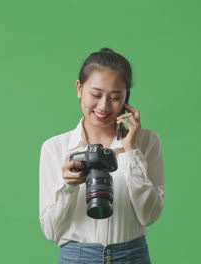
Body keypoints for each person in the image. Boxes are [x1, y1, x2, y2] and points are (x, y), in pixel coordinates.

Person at [39, 48, 165, 264]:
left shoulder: (147, 142)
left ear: (127, 97)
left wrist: (131, 151)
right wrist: (68, 186)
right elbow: (51, 232)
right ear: (79, 88)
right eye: (96, 95)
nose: (104, 106)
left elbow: (149, 216)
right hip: (77, 258)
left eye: (115, 97)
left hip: (132, 256)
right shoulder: (56, 147)